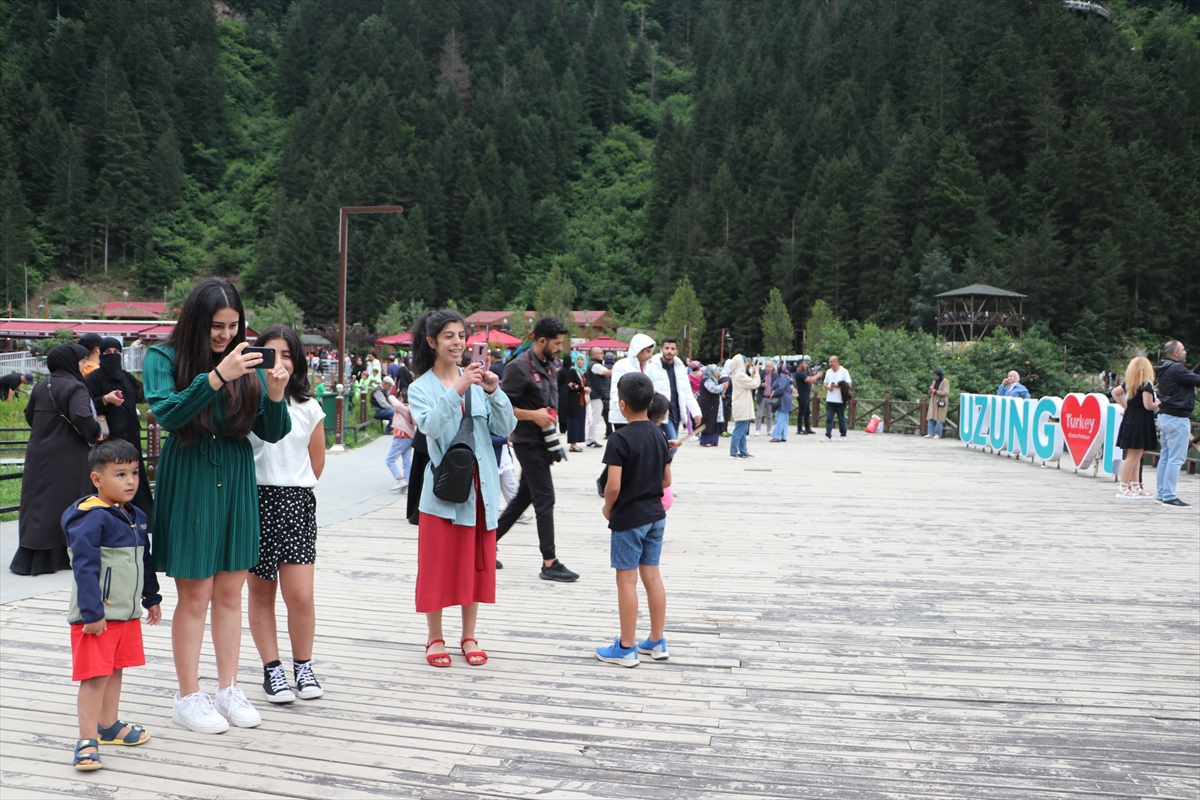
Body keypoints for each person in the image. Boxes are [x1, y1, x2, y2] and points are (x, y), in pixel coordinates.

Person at [143, 277, 291, 734]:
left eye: (234, 325)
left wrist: (274, 392)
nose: (227, 335)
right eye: (216, 327)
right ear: (195, 322)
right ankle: (188, 695)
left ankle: (228, 687)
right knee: (196, 593)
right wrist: (216, 376)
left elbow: (272, 431)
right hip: (190, 471)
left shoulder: (245, 360)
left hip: (236, 470)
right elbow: (166, 413)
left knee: (230, 591)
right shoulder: (162, 357)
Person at [407, 309, 516, 667]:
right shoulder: (420, 387)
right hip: (443, 492)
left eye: (461, 335)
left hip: (480, 489)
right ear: (431, 342)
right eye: (448, 336)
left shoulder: (479, 380)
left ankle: (469, 635)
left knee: (475, 565)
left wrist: (494, 389)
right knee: (437, 565)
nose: (457, 343)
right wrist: (458, 388)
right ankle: (434, 638)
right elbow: (432, 428)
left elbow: (506, 425)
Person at [63, 439, 162, 771]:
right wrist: (93, 613)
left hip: (126, 613)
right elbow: (85, 568)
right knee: (94, 676)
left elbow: (143, 561)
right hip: (98, 616)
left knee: (116, 669)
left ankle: (108, 725)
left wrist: (151, 597)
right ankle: (86, 740)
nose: (131, 481)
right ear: (97, 479)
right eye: (120, 474)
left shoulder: (135, 516)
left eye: (134, 472)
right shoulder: (90, 518)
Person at [245, 325, 327, 704]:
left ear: (298, 361)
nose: (279, 363)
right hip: (254, 499)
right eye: (271, 355)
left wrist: (295, 487)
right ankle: (272, 669)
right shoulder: (246, 404)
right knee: (261, 592)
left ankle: (304, 665)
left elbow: (317, 463)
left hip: (295, 502)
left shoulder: (310, 407)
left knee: (301, 595)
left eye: (288, 355)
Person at [595, 373, 672, 667]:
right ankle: (656, 639)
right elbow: (666, 480)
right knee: (652, 575)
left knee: (626, 580)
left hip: (629, 518)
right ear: (651, 402)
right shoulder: (659, 435)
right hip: (656, 515)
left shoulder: (619, 438)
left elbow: (613, 485)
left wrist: (608, 507)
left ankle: (626, 647)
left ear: (622, 404)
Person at [495, 317, 580, 582]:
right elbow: (501, 408)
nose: (560, 348)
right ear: (541, 340)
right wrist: (534, 415)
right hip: (526, 441)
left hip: (544, 440)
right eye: (556, 343)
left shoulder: (549, 364)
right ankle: (549, 562)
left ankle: (482, 545)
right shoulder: (518, 367)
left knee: (524, 498)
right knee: (545, 498)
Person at [10, 343, 100, 575]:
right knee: (66, 500)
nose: (84, 366)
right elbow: (81, 415)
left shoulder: (42, 385)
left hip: (39, 452)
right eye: (82, 362)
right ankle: (61, 555)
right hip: (69, 453)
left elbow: (30, 415)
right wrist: (95, 431)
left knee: (38, 501)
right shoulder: (76, 386)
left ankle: (31, 555)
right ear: (71, 362)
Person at [84, 338, 153, 522]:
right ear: (101, 355)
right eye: (108, 353)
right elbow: (86, 405)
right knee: (113, 475)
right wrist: (105, 400)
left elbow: (142, 394)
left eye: (116, 352)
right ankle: (110, 516)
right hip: (110, 439)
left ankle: (140, 515)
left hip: (131, 435)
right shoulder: (93, 379)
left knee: (133, 473)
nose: (112, 356)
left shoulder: (126, 377)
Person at [1154, 340, 1200, 507]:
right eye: (1183, 350)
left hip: (1165, 416)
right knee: (1176, 459)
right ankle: (1170, 495)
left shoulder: (1164, 367)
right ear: (1176, 353)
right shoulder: (1176, 368)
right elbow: (1196, 380)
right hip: (1177, 418)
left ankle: (1162, 492)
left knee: (1165, 456)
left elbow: (1189, 378)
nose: (1185, 352)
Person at [1114, 356, 1159, 500]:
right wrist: (1161, 403)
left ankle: (1135, 486)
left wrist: (1127, 407)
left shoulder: (1130, 383)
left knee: (1136, 455)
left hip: (1131, 419)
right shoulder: (1146, 385)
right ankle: (1123, 487)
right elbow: (1148, 405)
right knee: (1133, 456)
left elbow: (1115, 393)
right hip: (1140, 421)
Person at [609, 333, 669, 429]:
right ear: (638, 350)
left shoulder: (647, 367)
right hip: (623, 418)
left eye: (651, 352)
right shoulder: (621, 365)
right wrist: (624, 412)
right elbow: (616, 393)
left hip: (642, 417)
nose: (650, 355)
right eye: (648, 351)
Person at [651, 337, 702, 442]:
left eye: (672, 348)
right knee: (672, 443)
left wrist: (696, 412)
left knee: (669, 445)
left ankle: (662, 459)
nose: (669, 351)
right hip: (660, 413)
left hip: (676, 413)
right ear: (661, 349)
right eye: (667, 348)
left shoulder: (681, 369)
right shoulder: (652, 368)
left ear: (676, 351)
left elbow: (687, 392)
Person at [728, 355, 758, 457]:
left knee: (743, 429)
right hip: (742, 405)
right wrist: (757, 373)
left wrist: (753, 373)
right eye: (744, 362)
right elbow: (755, 384)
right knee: (739, 429)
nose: (746, 364)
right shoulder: (739, 375)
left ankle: (743, 450)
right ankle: (733, 451)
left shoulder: (737, 374)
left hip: (742, 404)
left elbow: (749, 382)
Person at [557, 354, 587, 453]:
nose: (579, 361)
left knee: (579, 421)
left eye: (582, 359)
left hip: (581, 400)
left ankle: (576, 443)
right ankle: (573, 444)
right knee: (573, 421)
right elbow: (570, 384)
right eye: (578, 359)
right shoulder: (572, 371)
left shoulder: (583, 372)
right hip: (572, 399)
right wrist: (583, 388)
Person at [387, 389, 415, 492]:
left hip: (401, 437)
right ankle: (407, 483)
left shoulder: (404, 408)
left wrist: (390, 396)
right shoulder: (410, 408)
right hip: (408, 437)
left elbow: (395, 404)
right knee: (406, 462)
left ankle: (400, 479)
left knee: (389, 460)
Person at [586, 346, 612, 447]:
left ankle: (591, 438)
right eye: (601, 353)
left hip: (597, 394)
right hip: (596, 395)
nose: (603, 355)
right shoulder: (595, 365)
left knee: (595, 418)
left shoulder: (595, 365)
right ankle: (590, 439)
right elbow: (608, 373)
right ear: (595, 354)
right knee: (595, 418)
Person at [822, 355, 852, 441]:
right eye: (829, 362)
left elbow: (849, 385)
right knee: (829, 418)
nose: (830, 364)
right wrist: (828, 387)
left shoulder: (844, 371)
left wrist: (837, 386)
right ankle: (828, 436)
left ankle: (843, 435)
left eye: (832, 362)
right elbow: (825, 383)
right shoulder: (828, 371)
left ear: (836, 362)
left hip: (840, 400)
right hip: (830, 399)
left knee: (841, 418)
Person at [792, 359, 821, 434]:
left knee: (807, 412)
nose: (806, 365)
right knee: (802, 412)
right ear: (800, 364)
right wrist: (817, 375)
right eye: (804, 363)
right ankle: (799, 429)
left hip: (806, 394)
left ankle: (807, 428)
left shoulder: (803, 372)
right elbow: (809, 380)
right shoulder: (799, 373)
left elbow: (810, 379)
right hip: (802, 394)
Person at [697, 365, 724, 447]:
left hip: (713, 405)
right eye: (715, 369)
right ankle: (707, 441)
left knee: (714, 423)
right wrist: (722, 386)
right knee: (709, 423)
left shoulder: (713, 380)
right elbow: (713, 389)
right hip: (708, 405)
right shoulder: (707, 380)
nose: (717, 371)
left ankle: (713, 441)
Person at [769, 365, 793, 442]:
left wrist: (774, 393)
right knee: (784, 419)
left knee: (780, 419)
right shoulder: (787, 377)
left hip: (782, 401)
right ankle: (783, 435)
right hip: (786, 400)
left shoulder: (782, 377)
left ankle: (777, 436)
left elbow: (781, 388)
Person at [754, 359, 776, 436]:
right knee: (759, 414)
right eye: (766, 366)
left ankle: (769, 429)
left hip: (770, 397)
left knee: (770, 415)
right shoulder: (761, 374)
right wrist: (761, 385)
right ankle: (758, 429)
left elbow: (776, 386)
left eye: (769, 367)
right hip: (762, 396)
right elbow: (755, 384)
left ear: (772, 367)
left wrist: (774, 393)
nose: (768, 368)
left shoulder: (775, 375)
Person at [925, 368, 949, 438]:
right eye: (935, 375)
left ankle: (938, 434)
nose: (936, 377)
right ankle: (930, 433)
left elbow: (945, 392)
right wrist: (930, 389)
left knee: (939, 418)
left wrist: (936, 391)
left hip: (941, 401)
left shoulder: (945, 381)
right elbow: (930, 391)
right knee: (931, 416)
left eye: (937, 375)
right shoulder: (934, 381)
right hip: (933, 401)